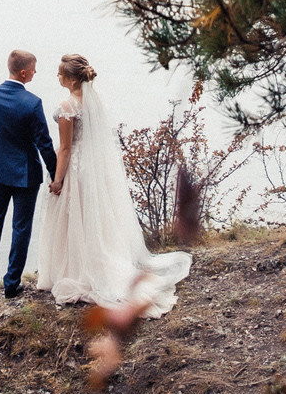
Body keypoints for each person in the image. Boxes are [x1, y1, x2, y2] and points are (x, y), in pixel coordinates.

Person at [25, 53, 192, 317]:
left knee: (73, 218)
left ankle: (75, 271)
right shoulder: (93, 101)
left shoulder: (67, 106)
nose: (56, 77)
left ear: (69, 79)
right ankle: (90, 263)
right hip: (92, 168)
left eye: (59, 74)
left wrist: (57, 180)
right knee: (92, 218)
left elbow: (66, 149)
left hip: (76, 168)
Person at [0, 49, 55, 301]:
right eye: (35, 69)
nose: (37, 72)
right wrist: (56, 173)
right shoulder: (32, 103)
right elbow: (44, 143)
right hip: (25, 174)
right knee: (21, 228)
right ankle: (11, 284)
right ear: (24, 72)